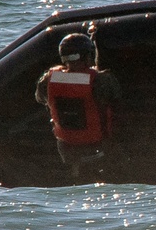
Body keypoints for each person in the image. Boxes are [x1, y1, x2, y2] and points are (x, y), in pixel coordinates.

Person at [35, 32, 121, 178]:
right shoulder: (101, 80)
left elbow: (40, 99)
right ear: (88, 56)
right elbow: (115, 98)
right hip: (97, 146)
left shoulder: (48, 79)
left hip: (66, 148)